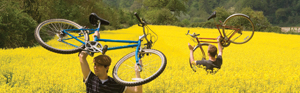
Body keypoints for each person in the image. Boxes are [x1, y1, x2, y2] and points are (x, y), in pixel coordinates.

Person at [78, 30, 142, 93]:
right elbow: (82, 57)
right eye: (95, 64)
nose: (95, 67)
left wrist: (137, 72)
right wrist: (94, 41)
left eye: (99, 65)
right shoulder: (91, 79)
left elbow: (137, 92)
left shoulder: (115, 83)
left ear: (107, 67)